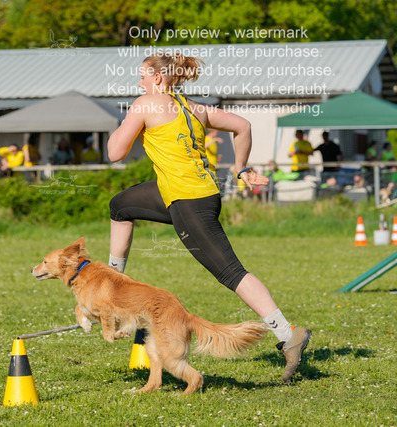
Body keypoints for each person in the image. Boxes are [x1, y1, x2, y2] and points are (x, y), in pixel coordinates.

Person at [106, 52, 311, 383]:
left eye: (142, 75)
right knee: (120, 206)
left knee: (232, 273)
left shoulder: (145, 103)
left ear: (157, 78)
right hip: (190, 192)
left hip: (189, 202)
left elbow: (115, 152)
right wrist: (241, 168)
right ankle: (113, 286)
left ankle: (288, 334)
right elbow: (242, 126)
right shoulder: (194, 108)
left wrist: (128, 118)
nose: (139, 81)